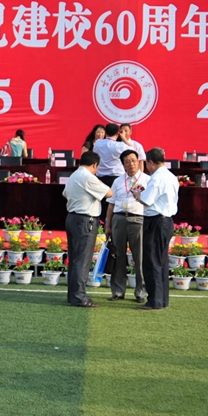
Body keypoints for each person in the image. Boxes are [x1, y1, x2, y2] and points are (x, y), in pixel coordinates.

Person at [63, 151, 113, 307]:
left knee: (75, 258)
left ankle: (73, 294)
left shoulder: (73, 176)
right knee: (82, 259)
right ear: (95, 165)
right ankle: (79, 296)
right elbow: (109, 193)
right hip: (85, 220)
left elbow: (65, 194)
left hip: (73, 217)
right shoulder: (88, 177)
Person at [133, 147, 179, 311]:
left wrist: (137, 195)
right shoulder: (171, 176)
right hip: (166, 221)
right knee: (161, 261)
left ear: (150, 162)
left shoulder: (157, 178)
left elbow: (147, 200)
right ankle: (162, 299)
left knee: (151, 261)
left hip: (155, 221)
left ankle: (154, 300)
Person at [105, 149, 150, 303]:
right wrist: (108, 225)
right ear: (123, 164)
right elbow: (111, 205)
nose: (131, 164)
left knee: (140, 257)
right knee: (118, 255)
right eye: (127, 161)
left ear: (138, 162)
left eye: (133, 160)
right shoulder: (118, 181)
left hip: (138, 219)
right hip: (119, 219)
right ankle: (118, 291)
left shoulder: (147, 180)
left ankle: (141, 292)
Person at [93, 123, 127, 188]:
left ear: (105, 132)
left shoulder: (98, 143)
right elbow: (133, 151)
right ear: (118, 133)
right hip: (116, 176)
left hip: (100, 177)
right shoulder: (119, 145)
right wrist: (124, 138)